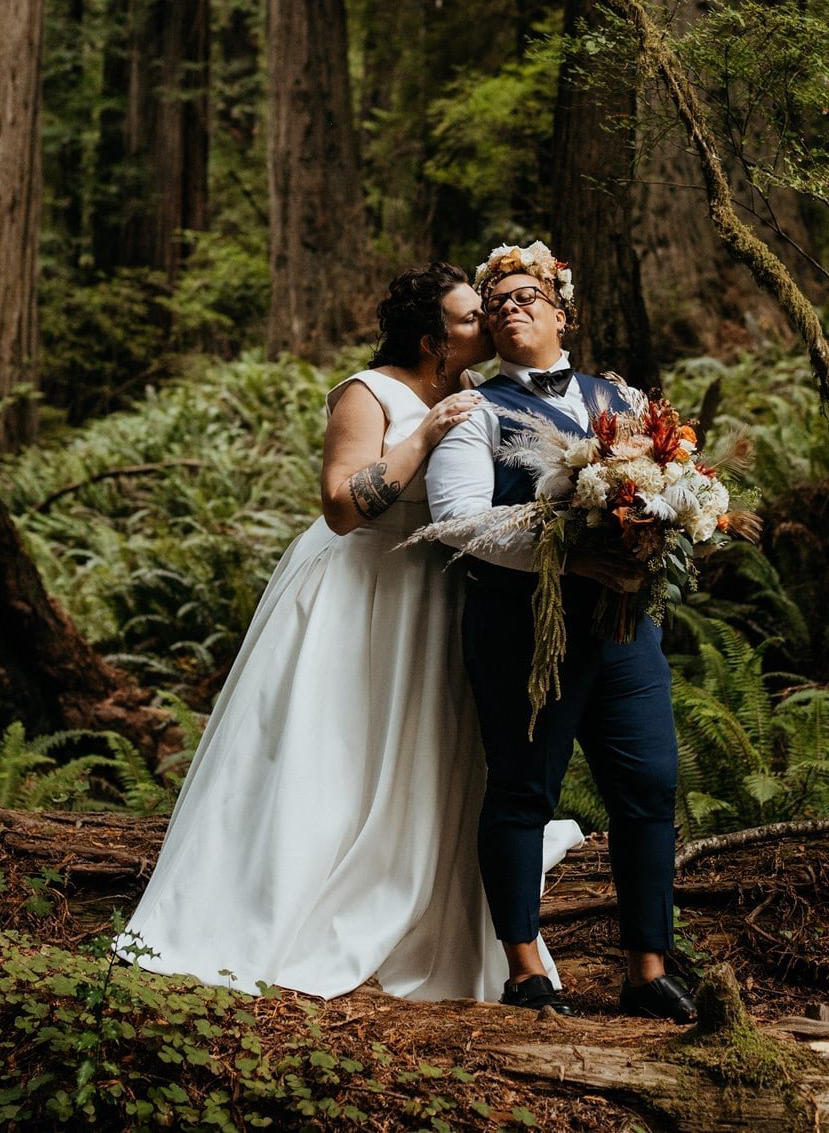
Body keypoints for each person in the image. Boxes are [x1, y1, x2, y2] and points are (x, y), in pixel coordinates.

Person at [116, 263, 582, 1001]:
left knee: (426, 756)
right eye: (469, 319)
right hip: (358, 592)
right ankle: (290, 904)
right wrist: (424, 434)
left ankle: (420, 904)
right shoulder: (372, 394)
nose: (486, 324)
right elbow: (342, 504)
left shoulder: (481, 397)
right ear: (433, 338)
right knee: (331, 749)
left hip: (432, 598)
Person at [425, 242, 699, 1023]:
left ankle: (647, 967)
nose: (511, 308)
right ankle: (523, 969)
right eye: (497, 301)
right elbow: (460, 524)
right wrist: (574, 548)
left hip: (624, 634)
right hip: (525, 631)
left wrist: (666, 522)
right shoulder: (476, 410)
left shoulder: (620, 397)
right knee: (522, 790)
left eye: (526, 297)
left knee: (648, 785)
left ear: (561, 312)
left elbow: (671, 484)